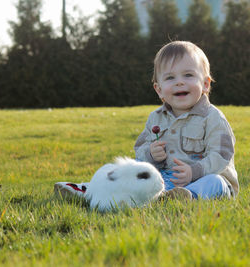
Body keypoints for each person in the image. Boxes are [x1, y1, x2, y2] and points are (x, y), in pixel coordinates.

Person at [54, 41, 238, 200]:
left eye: (188, 75)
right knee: (136, 177)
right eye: (170, 77)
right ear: (159, 89)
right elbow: (139, 153)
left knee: (214, 183)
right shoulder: (156, 118)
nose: (179, 82)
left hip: (205, 178)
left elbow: (221, 155)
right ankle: (90, 190)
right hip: (166, 178)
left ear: (205, 84)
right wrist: (151, 154)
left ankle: (187, 197)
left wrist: (194, 171)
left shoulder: (212, 118)